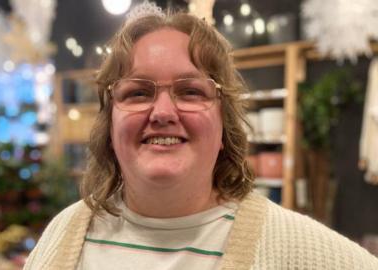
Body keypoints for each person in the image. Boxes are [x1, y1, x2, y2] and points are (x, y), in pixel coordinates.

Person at [24, 7, 378, 270]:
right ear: (109, 125)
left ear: (223, 123)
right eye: (137, 93)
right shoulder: (64, 234)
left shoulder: (302, 252)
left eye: (191, 91)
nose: (163, 112)